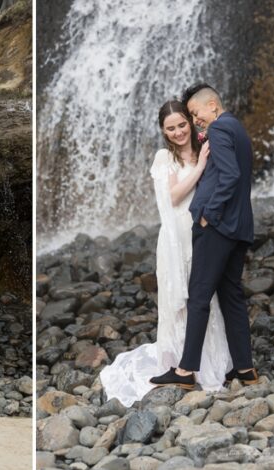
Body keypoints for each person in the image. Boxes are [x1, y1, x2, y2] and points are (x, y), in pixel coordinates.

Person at [100, 100, 232, 405]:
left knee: (204, 297)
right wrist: (199, 167)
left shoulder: (205, 146)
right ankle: (181, 363)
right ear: (163, 131)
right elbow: (173, 197)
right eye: (170, 128)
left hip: (204, 233)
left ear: (190, 121)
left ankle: (205, 362)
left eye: (182, 125)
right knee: (180, 299)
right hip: (176, 236)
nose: (178, 132)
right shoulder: (165, 157)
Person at [151, 84, 258, 389]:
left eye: (194, 115)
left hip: (218, 228)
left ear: (212, 105)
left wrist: (209, 214)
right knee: (231, 295)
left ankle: (185, 371)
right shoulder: (236, 127)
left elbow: (231, 176)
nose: (196, 121)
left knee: (198, 296)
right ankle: (245, 368)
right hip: (239, 228)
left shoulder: (220, 129)